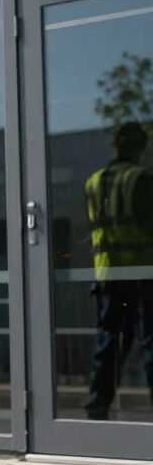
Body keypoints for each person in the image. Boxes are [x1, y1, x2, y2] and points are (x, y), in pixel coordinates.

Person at [82, 121, 153, 420]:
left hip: (109, 277)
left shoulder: (93, 182)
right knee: (150, 344)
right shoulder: (140, 179)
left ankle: (97, 408)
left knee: (109, 343)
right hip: (143, 276)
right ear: (141, 148)